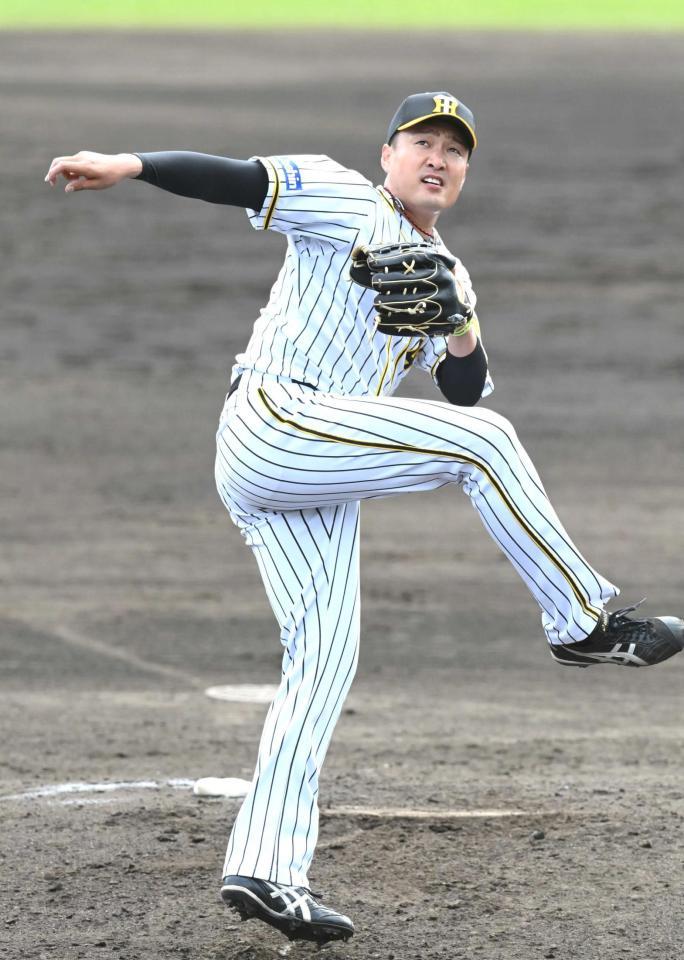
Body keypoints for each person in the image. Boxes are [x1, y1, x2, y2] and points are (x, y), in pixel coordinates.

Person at [45, 91, 683, 945]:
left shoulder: (450, 271)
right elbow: (236, 180)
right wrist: (131, 164)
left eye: (455, 150)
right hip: (277, 420)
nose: (438, 157)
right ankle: (580, 621)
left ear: (464, 172)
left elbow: (461, 383)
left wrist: (459, 326)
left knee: (324, 659)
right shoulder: (339, 193)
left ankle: (267, 870)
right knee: (485, 444)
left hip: (318, 467)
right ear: (389, 153)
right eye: (422, 140)